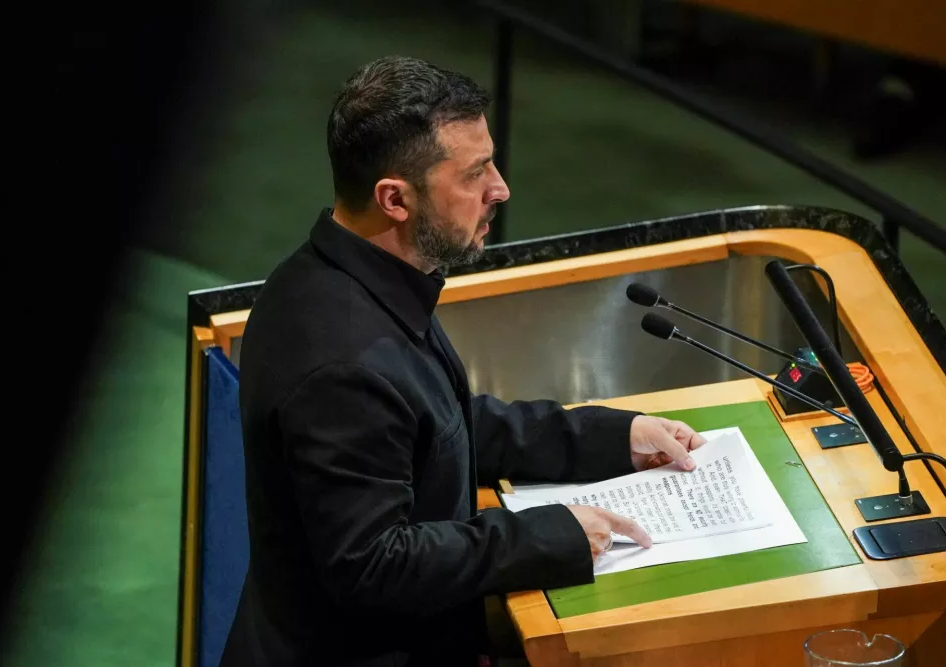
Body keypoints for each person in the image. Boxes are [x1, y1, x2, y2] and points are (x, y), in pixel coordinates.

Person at [219, 55, 706, 667]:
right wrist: (548, 535)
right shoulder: (344, 360)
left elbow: (436, 426)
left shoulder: (343, 276)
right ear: (395, 199)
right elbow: (373, 565)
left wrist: (609, 437)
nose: (500, 188)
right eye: (475, 173)